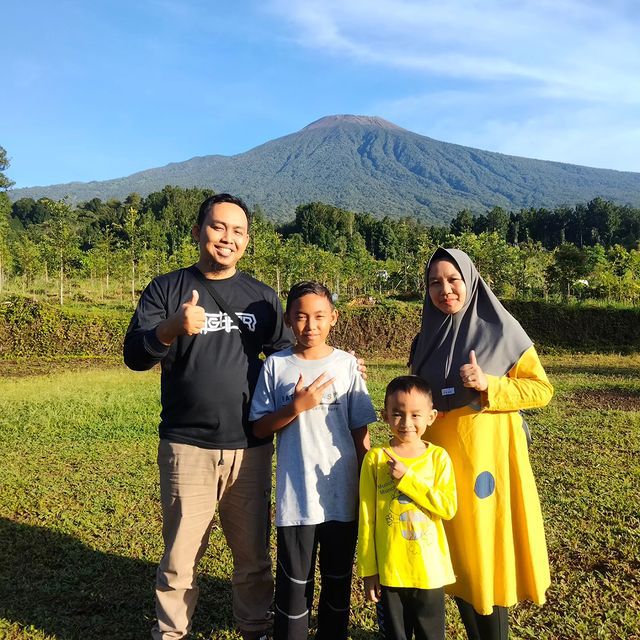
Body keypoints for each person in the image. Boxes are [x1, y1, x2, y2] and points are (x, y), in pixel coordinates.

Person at [123, 193, 293, 640]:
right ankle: (171, 634)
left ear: (247, 241)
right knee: (180, 559)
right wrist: (172, 327)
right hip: (187, 446)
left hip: (250, 448)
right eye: (218, 227)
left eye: (237, 231)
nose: (227, 238)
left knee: (254, 559)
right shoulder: (166, 289)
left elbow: (289, 357)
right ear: (199, 232)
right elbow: (134, 355)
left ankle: (256, 630)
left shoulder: (263, 298)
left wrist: (340, 364)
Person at [410, 247, 553, 640]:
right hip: (442, 469)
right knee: (458, 559)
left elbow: (541, 390)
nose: (445, 290)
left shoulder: (504, 332)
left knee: (485, 555)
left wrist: (490, 383)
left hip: (487, 467)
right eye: (435, 283)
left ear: (470, 281)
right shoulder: (425, 339)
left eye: (453, 280)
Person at [250, 281, 376, 640]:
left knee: (337, 582)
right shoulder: (276, 366)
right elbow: (260, 428)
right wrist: (295, 408)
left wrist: (369, 485)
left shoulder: (347, 364)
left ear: (333, 318)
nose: (311, 325)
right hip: (297, 499)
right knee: (293, 586)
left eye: (320, 316)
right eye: (301, 317)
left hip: (342, 496)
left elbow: (359, 432)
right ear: (289, 320)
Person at [358, 375, 457, 640]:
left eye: (416, 414)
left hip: (430, 572)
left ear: (431, 416)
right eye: (398, 414)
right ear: (385, 415)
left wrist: (407, 479)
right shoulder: (375, 459)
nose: (407, 423)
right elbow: (367, 518)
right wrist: (369, 571)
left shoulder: (439, 458)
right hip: (391, 572)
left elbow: (447, 507)